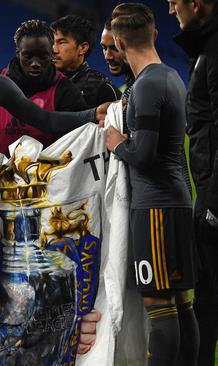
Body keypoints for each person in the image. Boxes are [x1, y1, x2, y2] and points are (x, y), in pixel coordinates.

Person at [105, 3, 199, 365]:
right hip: (176, 201)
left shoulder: (146, 85)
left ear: (118, 41)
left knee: (158, 306)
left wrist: (115, 141)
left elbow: (142, 153)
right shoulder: (172, 76)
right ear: (154, 34)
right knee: (179, 302)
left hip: (155, 209)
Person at [170, 0, 218, 364]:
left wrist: (213, 203)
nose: (171, 10)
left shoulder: (214, 51)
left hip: (214, 197)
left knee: (208, 296)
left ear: (197, 4)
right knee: (205, 295)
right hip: (207, 189)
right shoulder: (204, 49)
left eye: (174, 2)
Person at [0, 19, 87, 155]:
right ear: (18, 53)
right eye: (28, 56)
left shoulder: (67, 92)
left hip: (46, 174)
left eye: (42, 56)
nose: (35, 63)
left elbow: (74, 149)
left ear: (51, 54)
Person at [51, 15, 121, 107]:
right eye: (52, 42)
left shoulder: (102, 88)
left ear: (83, 48)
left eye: (61, 42)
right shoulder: (41, 81)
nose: (54, 50)